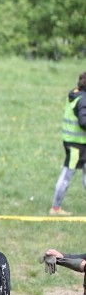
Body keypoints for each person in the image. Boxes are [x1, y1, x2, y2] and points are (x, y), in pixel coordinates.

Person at [50, 72, 86, 216]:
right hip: (76, 144)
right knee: (67, 175)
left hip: (76, 142)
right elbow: (83, 121)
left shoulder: (75, 94)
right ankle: (55, 208)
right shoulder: (83, 100)